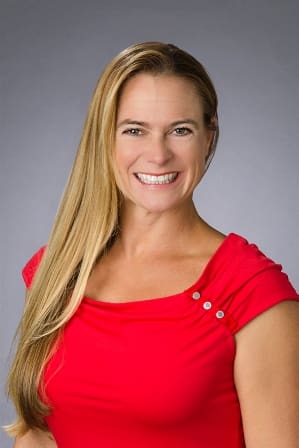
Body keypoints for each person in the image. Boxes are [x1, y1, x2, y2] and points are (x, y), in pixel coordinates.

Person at [6, 42, 299, 448]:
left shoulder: (252, 292)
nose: (158, 154)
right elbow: (38, 435)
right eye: (134, 130)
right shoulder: (56, 271)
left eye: (180, 130)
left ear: (208, 137)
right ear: (104, 137)